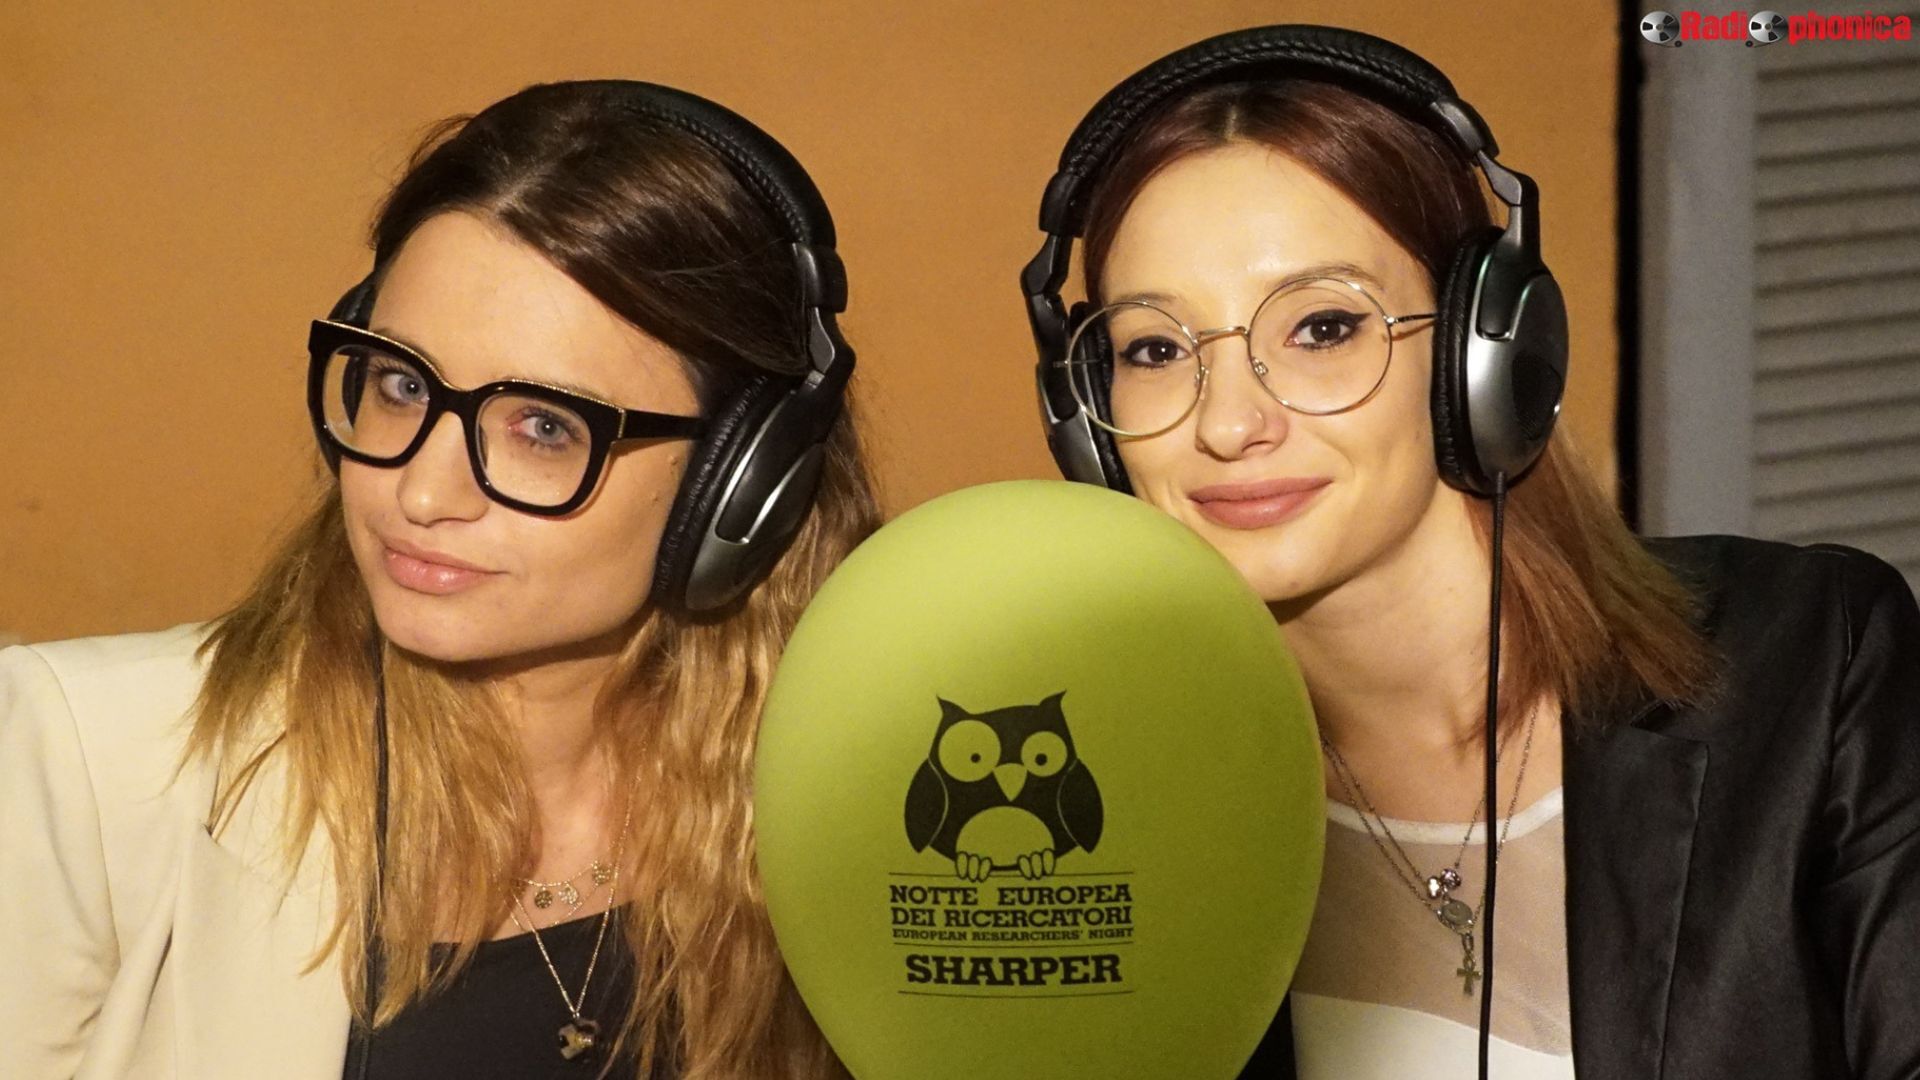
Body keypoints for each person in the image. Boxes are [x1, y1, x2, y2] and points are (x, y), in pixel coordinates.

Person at [1019, 25, 1920, 1079]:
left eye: (1321, 328)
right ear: (1087, 414)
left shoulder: (1819, 665)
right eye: (1156, 348)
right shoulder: (1105, 815)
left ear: (1483, 352)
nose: (1227, 424)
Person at [0, 80, 878, 1079]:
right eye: (403, 384)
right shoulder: (86, 763)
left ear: (745, 482)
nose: (420, 492)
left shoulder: (871, 804)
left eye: (544, 426)